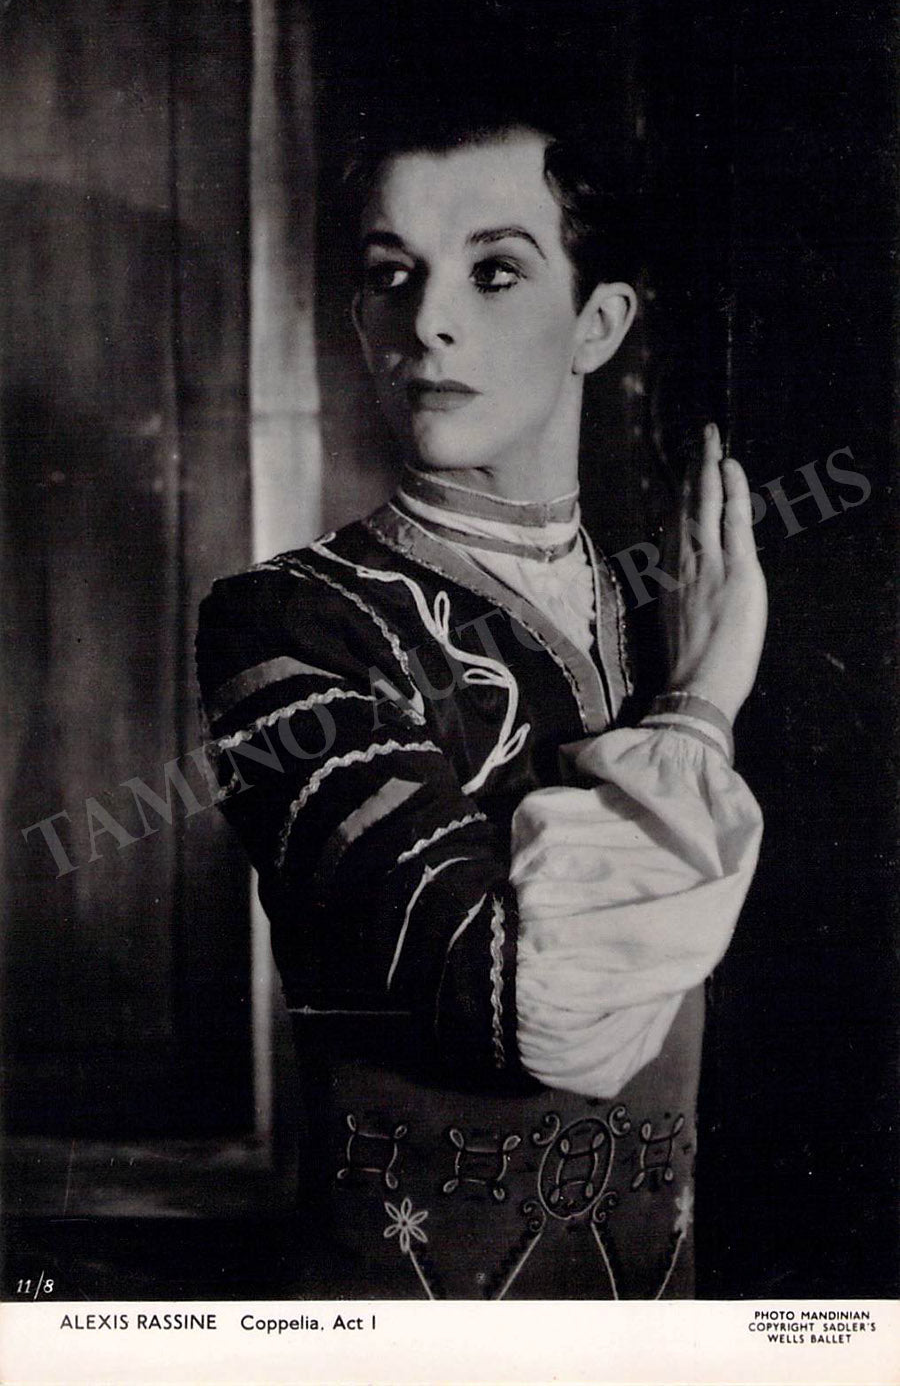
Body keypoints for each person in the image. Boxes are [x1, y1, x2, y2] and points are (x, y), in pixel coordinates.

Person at [195, 110, 767, 1299]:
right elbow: (506, 1001)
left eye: (494, 271)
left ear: (598, 324)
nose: (427, 322)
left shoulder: (665, 605)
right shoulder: (286, 624)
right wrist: (700, 709)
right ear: (360, 321)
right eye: (390, 275)